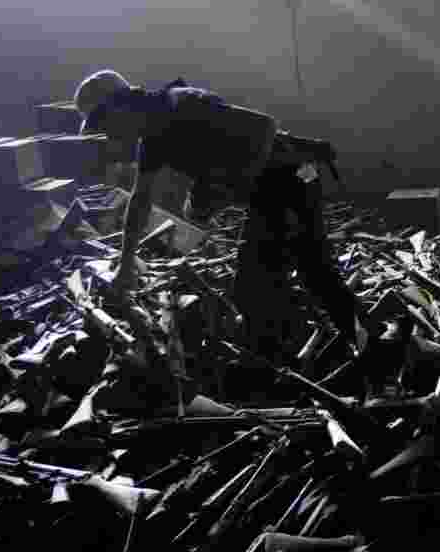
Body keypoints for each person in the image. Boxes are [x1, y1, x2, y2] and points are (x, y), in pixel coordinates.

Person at [73, 70, 366, 360]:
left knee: (289, 276)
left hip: (292, 180)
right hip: (269, 192)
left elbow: (264, 126)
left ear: (120, 106)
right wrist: (125, 265)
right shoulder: (152, 138)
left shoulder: (182, 103)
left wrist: (230, 186)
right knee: (273, 278)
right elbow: (140, 199)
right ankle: (303, 347)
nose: (108, 133)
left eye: (104, 122)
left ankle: (359, 347)